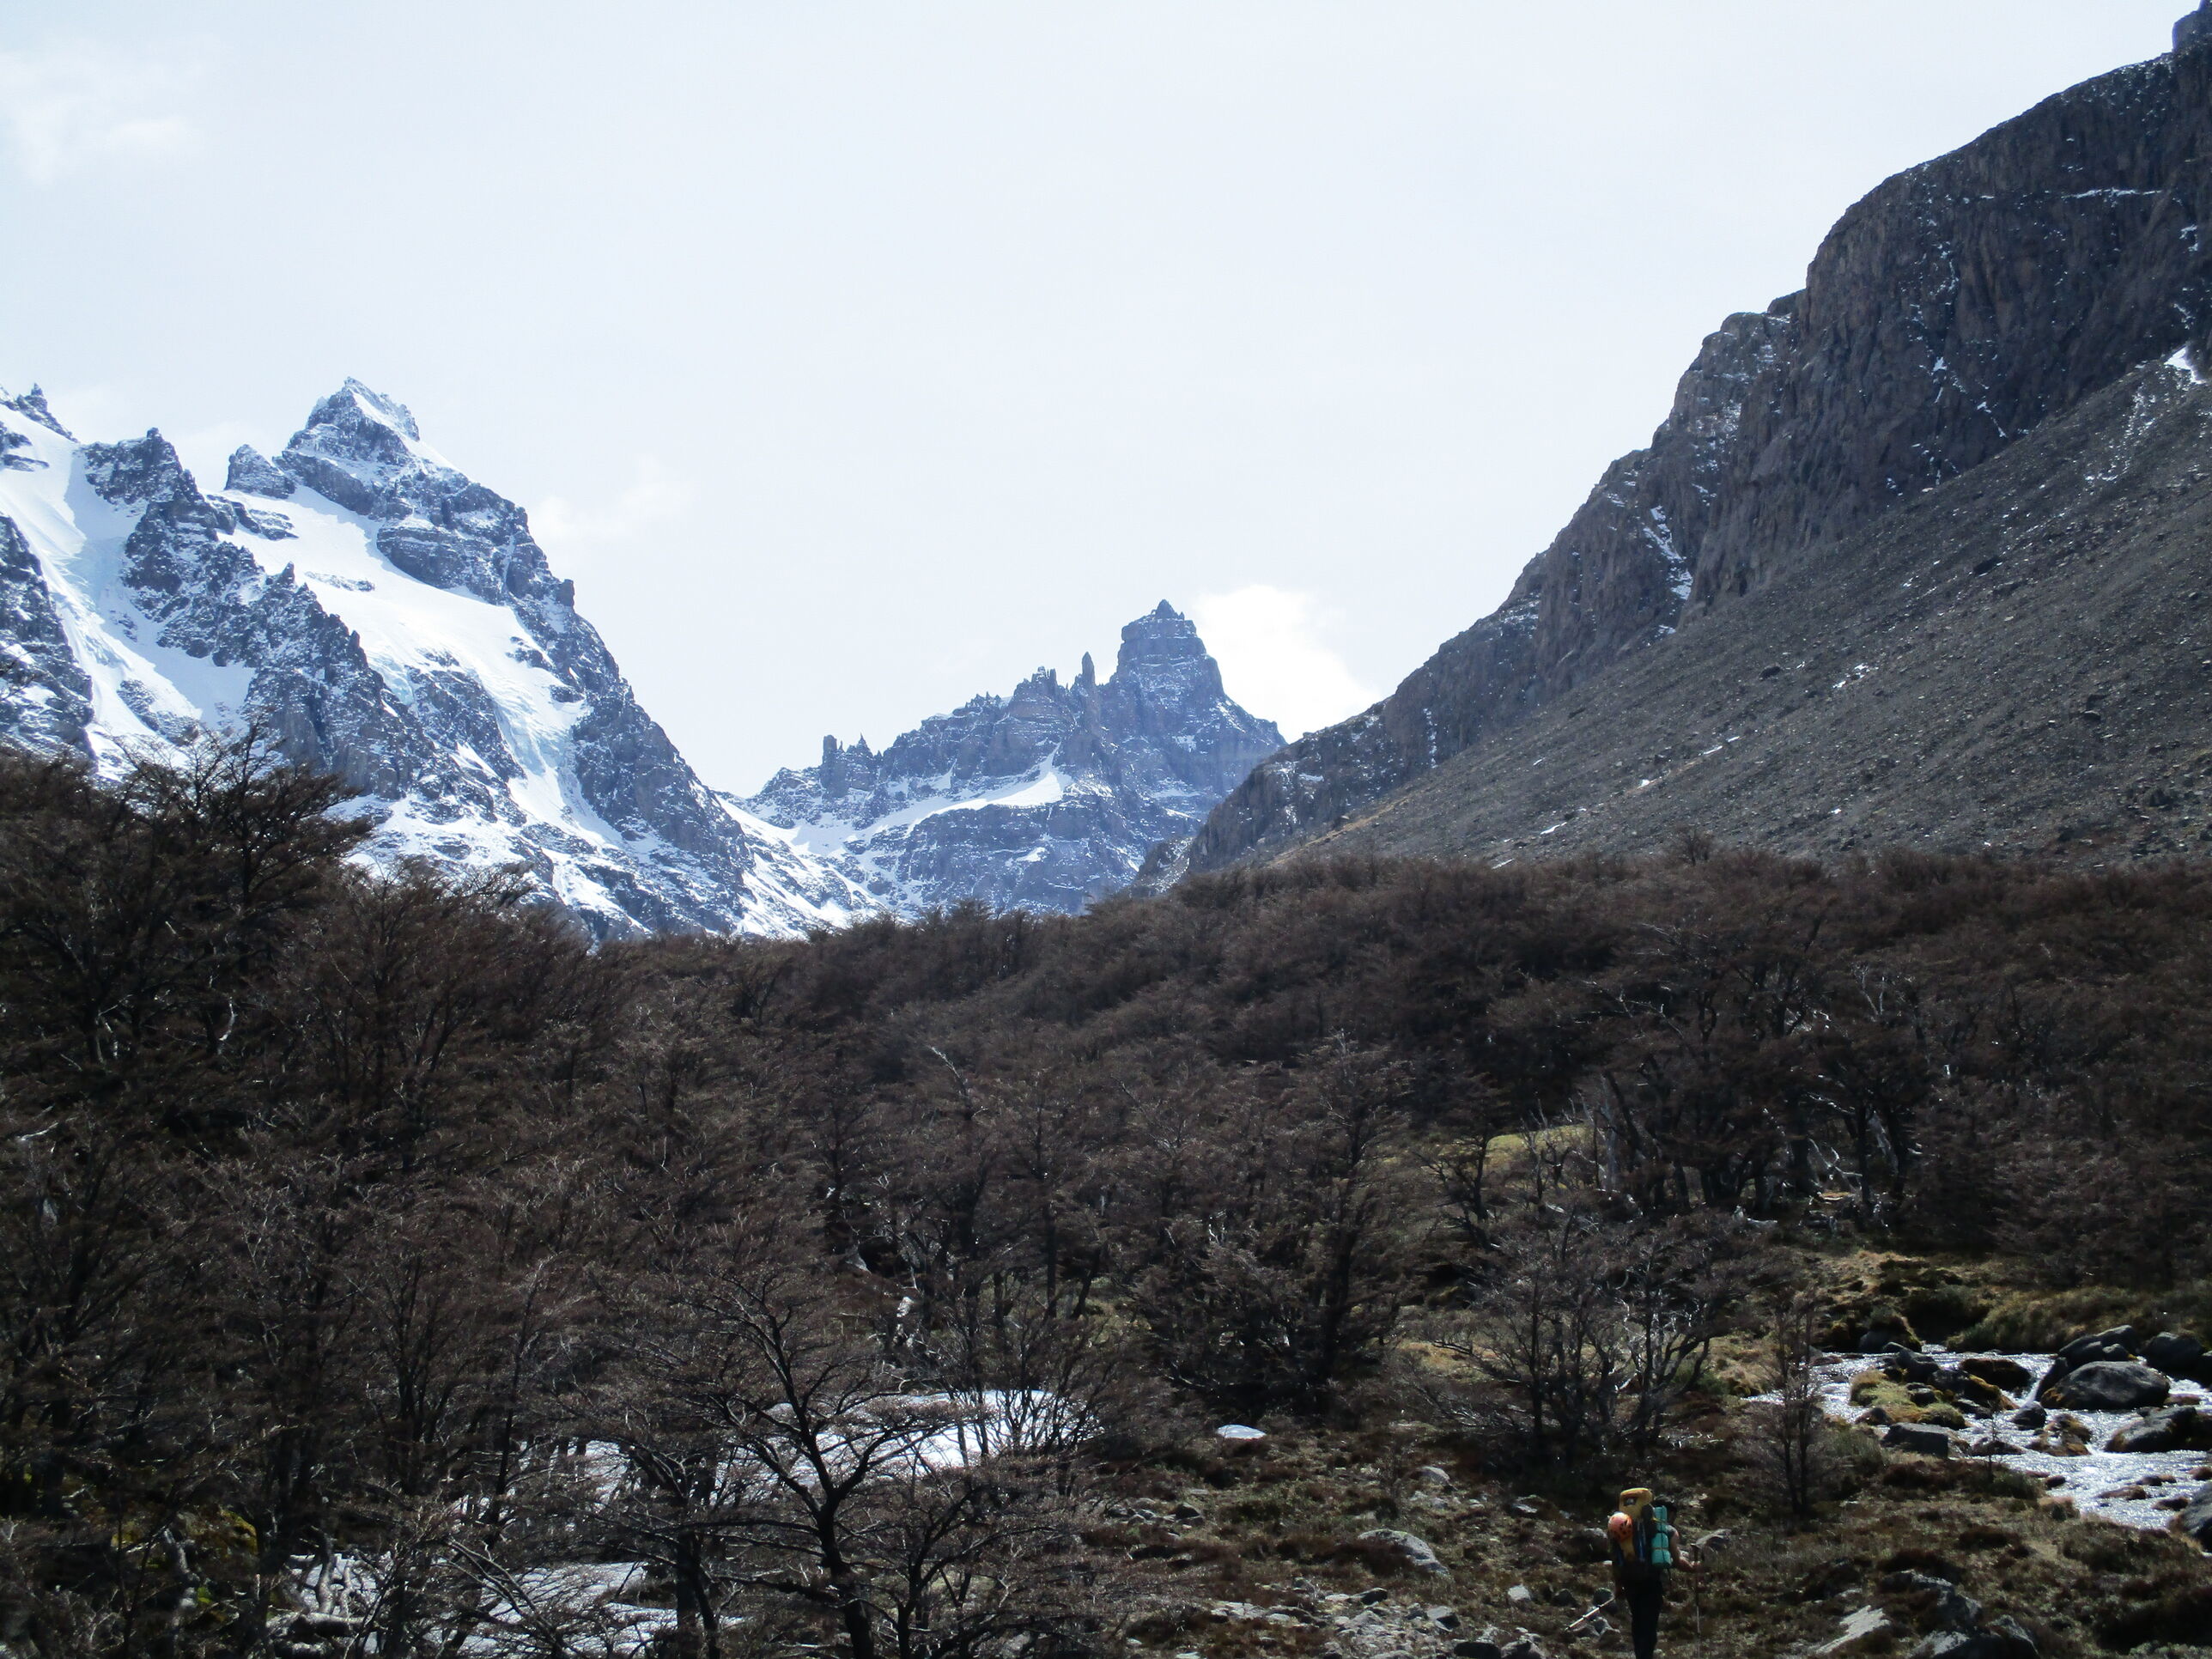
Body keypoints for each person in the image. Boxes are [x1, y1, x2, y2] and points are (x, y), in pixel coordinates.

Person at [1606, 1486, 1692, 1659]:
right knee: (1649, 1625)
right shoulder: (1663, 1530)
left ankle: (1640, 1655)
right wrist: (1696, 1568)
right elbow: (1678, 1562)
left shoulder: (1623, 1527)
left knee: (1637, 1622)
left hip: (1629, 1582)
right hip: (1651, 1582)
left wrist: (1618, 1587)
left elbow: (1616, 1560)